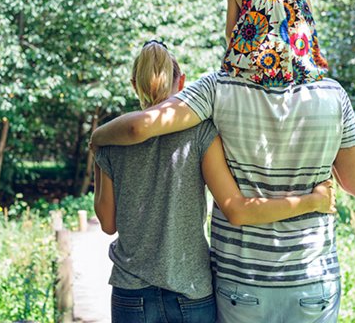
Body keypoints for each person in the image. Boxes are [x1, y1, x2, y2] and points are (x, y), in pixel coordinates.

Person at [92, 0, 355, 323]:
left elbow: (141, 126)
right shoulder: (332, 95)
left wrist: (98, 136)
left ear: (248, 13)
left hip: (242, 282)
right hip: (313, 280)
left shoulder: (219, 90)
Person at [93, 40, 337, 323]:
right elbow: (237, 208)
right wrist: (313, 201)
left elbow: (108, 224)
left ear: (134, 84)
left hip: (130, 291)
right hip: (191, 289)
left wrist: (99, 153)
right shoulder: (200, 134)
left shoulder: (109, 141)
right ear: (181, 81)